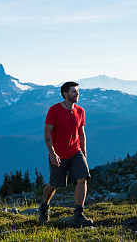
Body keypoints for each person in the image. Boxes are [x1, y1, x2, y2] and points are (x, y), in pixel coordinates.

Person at [38, 81, 93, 227]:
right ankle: (44, 207)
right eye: (74, 91)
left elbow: (81, 132)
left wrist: (83, 150)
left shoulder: (80, 111)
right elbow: (47, 134)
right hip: (58, 155)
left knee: (83, 178)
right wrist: (53, 153)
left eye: (77, 91)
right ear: (65, 94)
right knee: (54, 185)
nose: (77, 94)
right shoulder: (54, 110)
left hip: (75, 152)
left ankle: (78, 214)